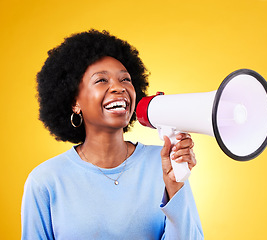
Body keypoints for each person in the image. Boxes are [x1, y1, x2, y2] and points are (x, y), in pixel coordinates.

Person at [21, 29, 204, 240]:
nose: (119, 88)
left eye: (126, 79)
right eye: (101, 81)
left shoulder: (165, 164)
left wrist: (175, 188)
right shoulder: (45, 181)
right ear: (74, 102)